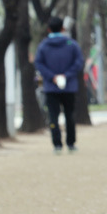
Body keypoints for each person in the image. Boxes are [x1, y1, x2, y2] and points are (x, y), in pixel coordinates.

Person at [35, 16, 84, 153]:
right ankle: (71, 143)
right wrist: (67, 75)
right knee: (70, 115)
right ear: (63, 28)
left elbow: (39, 63)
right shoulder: (72, 44)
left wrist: (52, 77)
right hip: (69, 87)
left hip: (50, 87)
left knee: (53, 116)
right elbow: (79, 62)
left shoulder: (43, 46)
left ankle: (57, 144)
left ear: (48, 29)